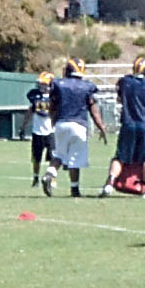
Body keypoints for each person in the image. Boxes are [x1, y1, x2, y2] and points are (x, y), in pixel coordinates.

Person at [40, 58, 109, 199]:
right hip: (79, 125)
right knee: (75, 159)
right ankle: (75, 189)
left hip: (61, 123)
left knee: (59, 154)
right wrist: (101, 127)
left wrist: (53, 120)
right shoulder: (87, 86)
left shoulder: (58, 84)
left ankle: (50, 173)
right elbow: (93, 109)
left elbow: (52, 105)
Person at [107, 55, 145, 198]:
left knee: (120, 157)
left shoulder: (125, 81)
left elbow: (119, 99)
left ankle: (109, 184)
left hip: (128, 124)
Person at [25, 70, 54, 187]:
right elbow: (31, 110)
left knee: (53, 157)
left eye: (45, 83)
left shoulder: (55, 97)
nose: (42, 86)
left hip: (51, 131)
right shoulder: (35, 95)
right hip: (37, 131)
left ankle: (51, 178)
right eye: (41, 83)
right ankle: (36, 177)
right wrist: (23, 126)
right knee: (36, 158)